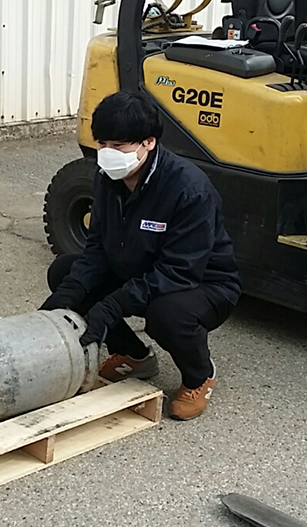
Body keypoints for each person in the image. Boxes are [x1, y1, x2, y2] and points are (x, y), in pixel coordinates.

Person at [40, 91, 241, 421]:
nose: (108, 154)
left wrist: (112, 305)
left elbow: (179, 272)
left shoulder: (187, 189)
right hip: (140, 270)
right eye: (103, 144)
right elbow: (97, 250)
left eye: (119, 147)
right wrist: (65, 298)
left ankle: (199, 376)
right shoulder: (108, 179)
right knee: (65, 271)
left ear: (148, 142)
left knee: (167, 315)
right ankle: (134, 356)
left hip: (201, 284)